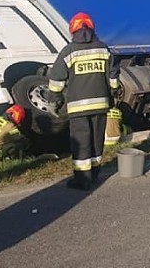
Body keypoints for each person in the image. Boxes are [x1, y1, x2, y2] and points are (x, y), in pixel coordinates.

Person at [47, 12, 120, 190]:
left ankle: (83, 180)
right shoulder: (103, 49)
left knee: (81, 142)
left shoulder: (69, 51)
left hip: (78, 107)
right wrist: (112, 94)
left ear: (72, 29)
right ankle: (95, 173)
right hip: (101, 104)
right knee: (96, 140)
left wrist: (54, 100)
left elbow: (56, 79)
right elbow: (113, 77)